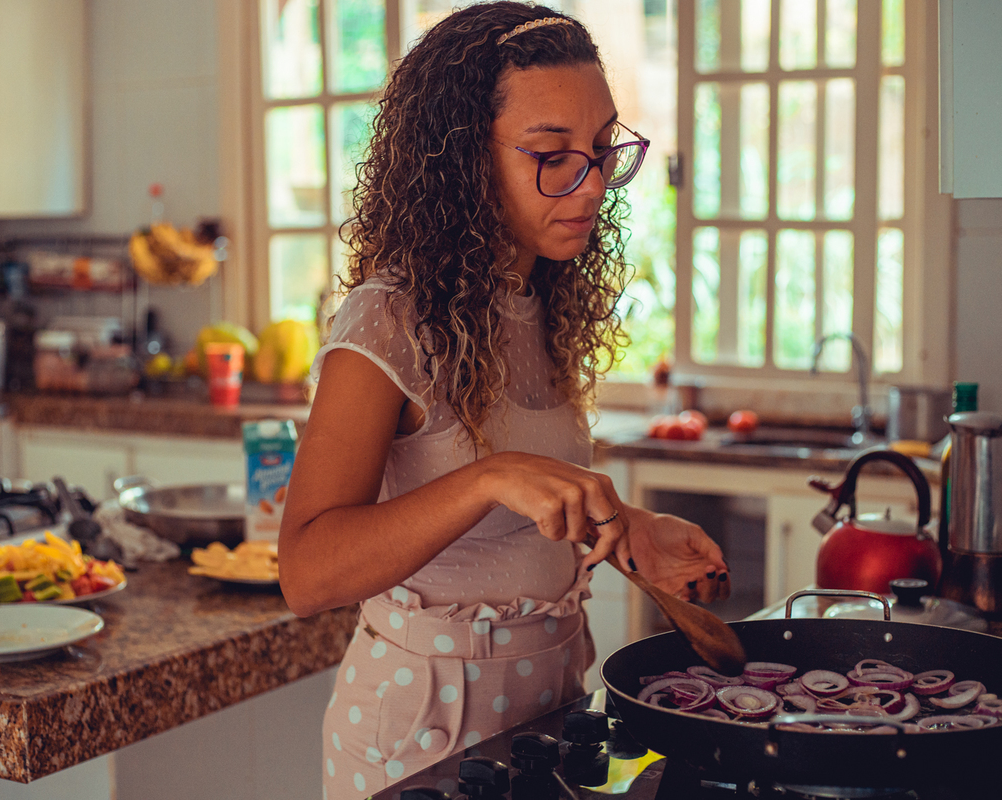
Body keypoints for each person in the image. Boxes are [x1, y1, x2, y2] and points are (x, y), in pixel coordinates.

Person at [277, 3, 731, 797]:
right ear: (461, 160)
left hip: (549, 708)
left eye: (601, 150)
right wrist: (490, 476)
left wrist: (627, 527)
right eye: (552, 155)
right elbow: (307, 573)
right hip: (419, 729)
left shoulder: (540, 297)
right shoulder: (390, 319)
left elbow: (518, 520)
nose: (592, 185)